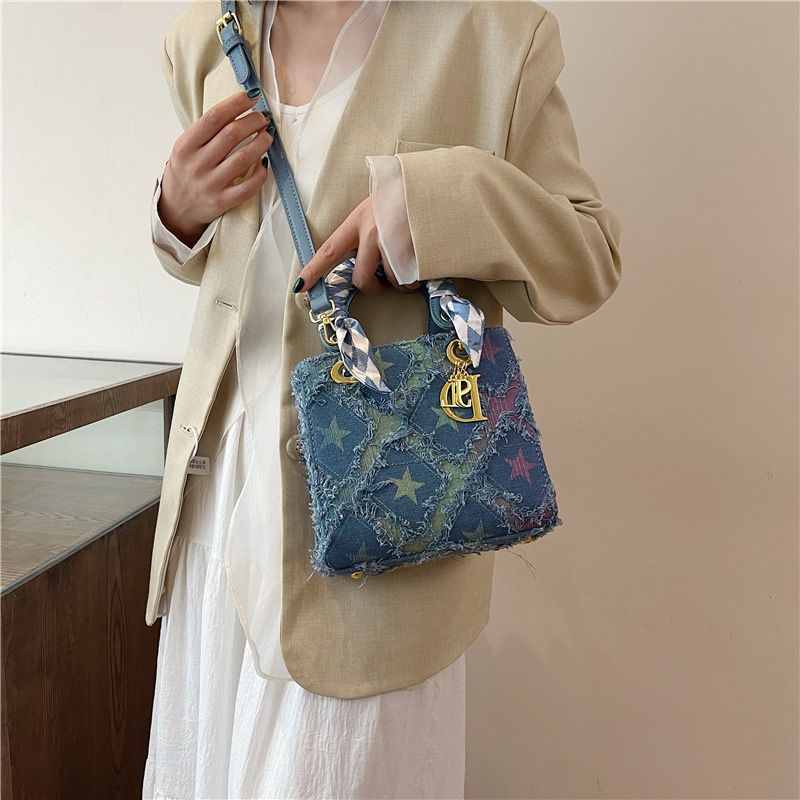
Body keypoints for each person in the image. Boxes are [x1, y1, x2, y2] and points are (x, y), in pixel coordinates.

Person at [143, 0, 621, 797]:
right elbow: (235, 260)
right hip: (219, 510)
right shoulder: (206, 33)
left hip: (381, 541)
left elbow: (589, 257)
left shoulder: (496, 37)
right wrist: (175, 213)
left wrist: (430, 203)